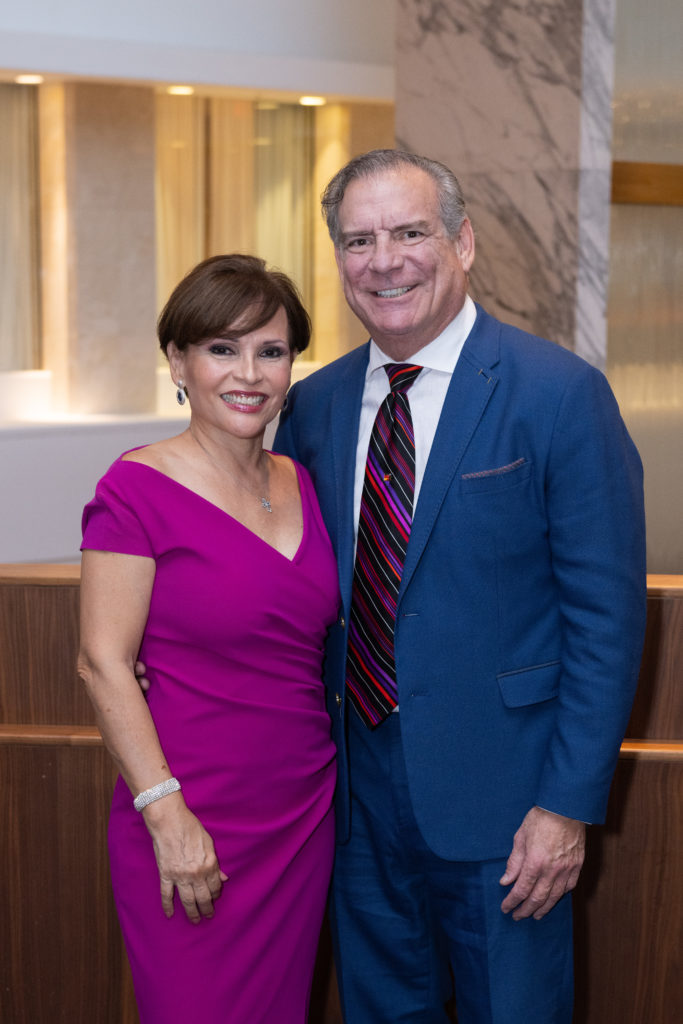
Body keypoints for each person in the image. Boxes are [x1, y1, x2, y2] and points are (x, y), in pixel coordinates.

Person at [274, 149, 647, 1023]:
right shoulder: (315, 407)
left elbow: (606, 621)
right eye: (358, 240)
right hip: (354, 806)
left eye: (411, 232)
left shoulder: (558, 395)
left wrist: (564, 806)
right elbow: (281, 583)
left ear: (463, 242)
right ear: (338, 263)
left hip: (506, 807)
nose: (384, 260)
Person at [77, 254, 338, 1024]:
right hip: (190, 821)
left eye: (271, 350)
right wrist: (167, 815)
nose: (248, 373)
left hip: (302, 814)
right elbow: (102, 664)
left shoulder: (305, 479)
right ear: (177, 362)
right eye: (222, 349)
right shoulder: (133, 488)